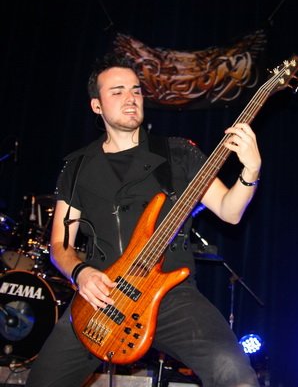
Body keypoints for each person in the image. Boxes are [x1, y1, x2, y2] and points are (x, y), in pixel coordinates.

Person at [26, 54, 261, 387]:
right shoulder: (77, 168)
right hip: (100, 298)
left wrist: (250, 171)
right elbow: (59, 245)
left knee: (234, 374)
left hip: (170, 296)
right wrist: (81, 273)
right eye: (117, 91)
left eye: (135, 90)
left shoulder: (178, 153)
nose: (131, 97)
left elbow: (229, 211)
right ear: (96, 105)